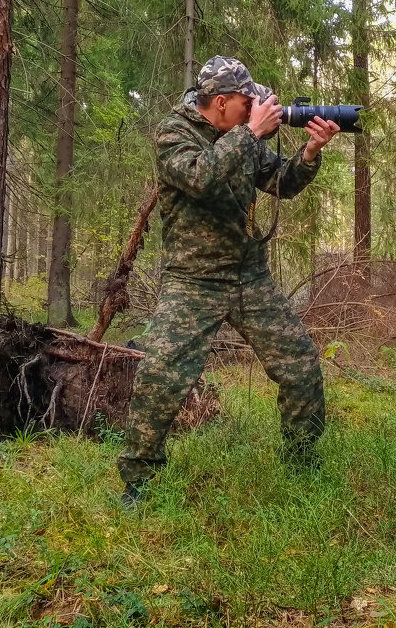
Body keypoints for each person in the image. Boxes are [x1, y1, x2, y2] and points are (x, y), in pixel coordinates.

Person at [117, 56, 340, 506]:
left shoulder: (242, 135)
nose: (256, 107)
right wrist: (251, 132)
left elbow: (280, 182)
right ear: (220, 102)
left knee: (300, 366)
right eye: (247, 101)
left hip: (249, 276)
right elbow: (201, 178)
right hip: (194, 280)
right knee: (160, 375)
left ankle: (302, 463)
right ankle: (139, 481)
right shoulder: (172, 134)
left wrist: (309, 153)